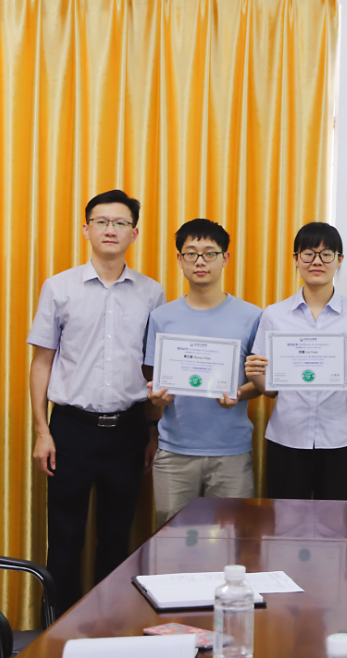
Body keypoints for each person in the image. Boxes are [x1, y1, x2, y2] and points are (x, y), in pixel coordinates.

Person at [27, 189, 165, 614]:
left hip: (128, 429)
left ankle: (110, 626)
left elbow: (153, 369)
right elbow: (41, 362)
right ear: (85, 229)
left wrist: (151, 431)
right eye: (101, 221)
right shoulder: (59, 287)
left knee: (117, 537)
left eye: (120, 223)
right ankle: (57, 631)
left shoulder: (151, 293)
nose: (110, 229)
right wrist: (42, 431)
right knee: (64, 537)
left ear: (134, 233)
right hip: (71, 428)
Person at [143, 219, 262, 526]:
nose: (200, 261)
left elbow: (261, 383)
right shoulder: (161, 317)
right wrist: (156, 398)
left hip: (231, 451)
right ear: (179, 259)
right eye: (191, 253)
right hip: (174, 452)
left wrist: (239, 393)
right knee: (172, 541)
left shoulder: (252, 316)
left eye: (210, 253)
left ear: (225, 258)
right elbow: (154, 382)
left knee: (231, 540)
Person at [245, 222, 347, 500]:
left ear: (339, 260)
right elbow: (271, 390)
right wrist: (255, 373)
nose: (317, 261)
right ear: (296, 259)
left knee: (336, 521)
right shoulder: (274, 315)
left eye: (326, 254)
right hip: (286, 438)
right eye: (308, 253)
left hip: (339, 440)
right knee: (286, 521)